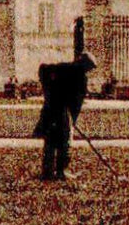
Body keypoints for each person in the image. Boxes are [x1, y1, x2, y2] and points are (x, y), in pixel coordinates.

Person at [33, 52, 96, 180]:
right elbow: (43, 69)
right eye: (89, 67)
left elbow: (43, 69)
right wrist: (49, 92)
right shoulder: (76, 75)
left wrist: (48, 91)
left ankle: (48, 172)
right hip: (58, 114)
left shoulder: (65, 68)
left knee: (51, 142)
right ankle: (59, 172)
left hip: (55, 112)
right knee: (63, 143)